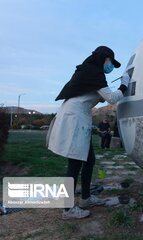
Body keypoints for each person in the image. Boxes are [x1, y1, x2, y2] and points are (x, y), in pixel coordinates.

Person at [47, 46, 130, 219]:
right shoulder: (94, 73)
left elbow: (94, 95)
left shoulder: (89, 72)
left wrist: (105, 92)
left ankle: (85, 198)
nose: (111, 67)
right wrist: (124, 85)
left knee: (89, 160)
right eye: (110, 62)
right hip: (74, 120)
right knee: (75, 164)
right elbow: (112, 98)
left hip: (78, 117)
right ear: (103, 58)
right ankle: (67, 209)